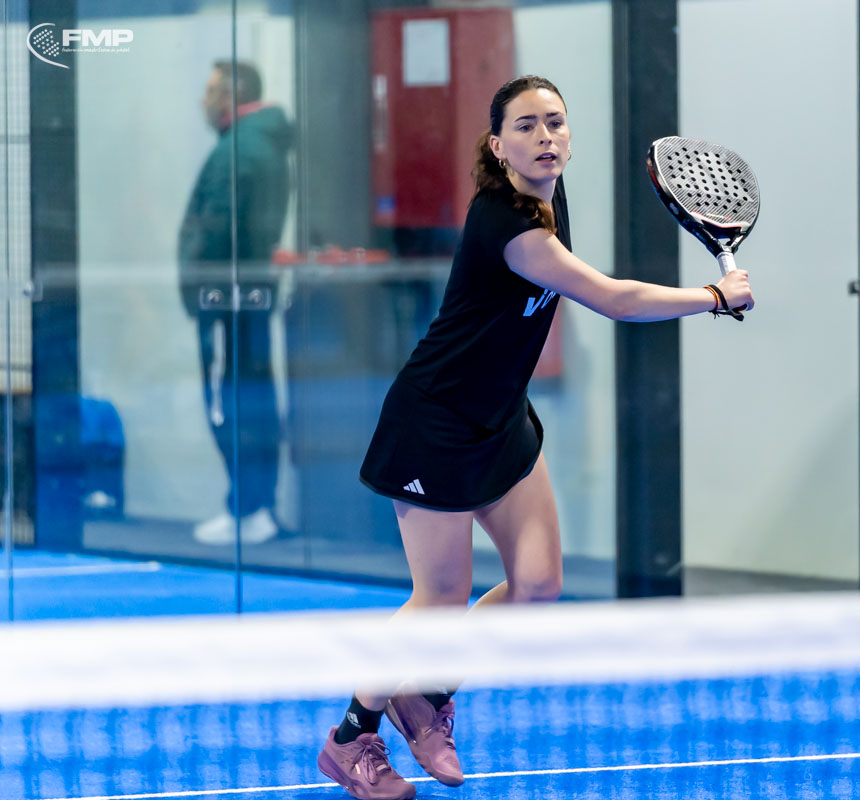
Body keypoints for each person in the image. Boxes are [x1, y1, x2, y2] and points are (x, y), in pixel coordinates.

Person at [315, 75, 754, 800]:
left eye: (555, 122)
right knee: (440, 597)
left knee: (539, 583)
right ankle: (350, 738)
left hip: (503, 419)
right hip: (436, 426)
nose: (545, 136)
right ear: (498, 146)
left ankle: (425, 694)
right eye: (525, 126)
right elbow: (613, 299)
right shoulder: (509, 228)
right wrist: (712, 297)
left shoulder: (550, 194)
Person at [178, 60, 292, 546]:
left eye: (211, 91)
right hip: (247, 297)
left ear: (231, 95)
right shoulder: (259, 144)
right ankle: (253, 505)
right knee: (252, 394)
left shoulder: (238, 150)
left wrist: (198, 287)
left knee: (231, 401)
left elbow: (216, 230)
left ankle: (247, 507)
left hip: (227, 301)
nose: (204, 101)